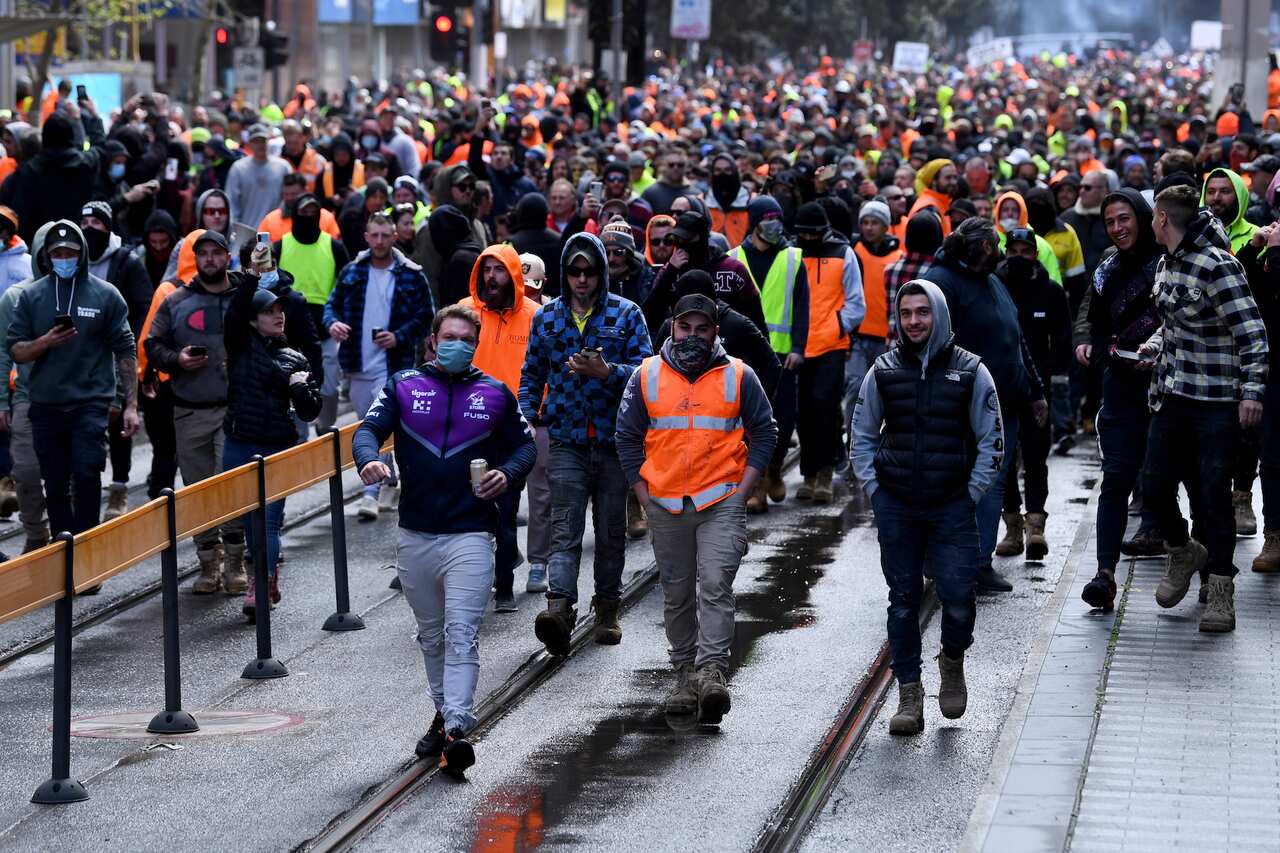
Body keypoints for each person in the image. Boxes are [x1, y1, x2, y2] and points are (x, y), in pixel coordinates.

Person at [354, 303, 536, 778]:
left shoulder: (495, 393)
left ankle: (457, 727)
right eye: (449, 337)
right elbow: (368, 431)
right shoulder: (403, 386)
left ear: (475, 346)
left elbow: (525, 446)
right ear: (434, 340)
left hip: (471, 535)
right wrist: (369, 461)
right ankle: (443, 713)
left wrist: (507, 473)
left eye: (467, 340)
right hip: (416, 535)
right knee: (432, 636)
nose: (457, 345)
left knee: (461, 633)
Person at [615, 293, 777, 723]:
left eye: (702, 328)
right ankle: (684, 673)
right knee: (677, 592)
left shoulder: (739, 375)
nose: (692, 336)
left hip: (721, 499)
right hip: (666, 502)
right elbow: (627, 436)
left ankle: (711, 673)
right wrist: (643, 493)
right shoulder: (645, 375)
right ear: (672, 327)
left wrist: (743, 489)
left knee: (716, 584)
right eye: (685, 327)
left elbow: (765, 430)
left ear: (715, 332)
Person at [852, 279, 1004, 736]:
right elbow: (860, 436)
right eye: (906, 313)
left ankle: (952, 658)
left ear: (938, 314)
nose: (914, 321)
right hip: (897, 506)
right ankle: (910, 693)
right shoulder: (881, 371)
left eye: (923, 312)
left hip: (952, 507)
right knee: (902, 602)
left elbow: (991, 440)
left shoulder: (972, 372)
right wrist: (876, 491)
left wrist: (972, 493)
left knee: (959, 599)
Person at [1141, 185, 1268, 633]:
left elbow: (1253, 334)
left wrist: (1252, 392)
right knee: (1152, 487)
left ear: (1162, 220)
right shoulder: (1167, 262)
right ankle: (1183, 550)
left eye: (1152, 217)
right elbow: (1173, 324)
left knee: (1214, 497)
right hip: (1173, 394)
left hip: (1216, 402)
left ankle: (1220, 589)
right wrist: (1152, 345)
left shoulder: (1219, 266)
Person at [518, 233, 652, 656]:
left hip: (614, 443)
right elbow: (531, 375)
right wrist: (524, 414)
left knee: (611, 532)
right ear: (564, 273)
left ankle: (608, 609)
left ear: (601, 273)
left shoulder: (626, 314)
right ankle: (559, 608)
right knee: (565, 527)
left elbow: (647, 374)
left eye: (589, 271)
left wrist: (606, 372)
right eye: (574, 271)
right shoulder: (547, 318)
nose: (581, 279)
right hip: (566, 441)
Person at [925, 217, 1047, 593]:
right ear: (976, 248)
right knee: (956, 484)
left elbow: (1016, 338)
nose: (999, 250)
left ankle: (979, 562)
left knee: (992, 483)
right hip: (963, 405)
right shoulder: (943, 282)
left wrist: (1036, 390)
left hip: (1006, 403)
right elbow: (931, 343)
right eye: (992, 244)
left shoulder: (993, 281)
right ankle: (947, 560)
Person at [8, 221, 139, 548]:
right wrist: (45, 342)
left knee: (86, 473)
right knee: (54, 484)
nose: (64, 258)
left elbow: (125, 349)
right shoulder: (31, 297)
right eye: (58, 253)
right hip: (46, 405)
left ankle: (86, 550)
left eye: (71, 252)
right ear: (46, 257)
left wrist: (131, 405)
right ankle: (62, 552)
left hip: (89, 403)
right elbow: (17, 350)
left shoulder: (105, 294)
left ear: (82, 254)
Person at [1074, 189, 1167, 610]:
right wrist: (1092, 349)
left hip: (1168, 384)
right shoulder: (1107, 267)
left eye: (1124, 218)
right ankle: (1105, 573)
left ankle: (1200, 561)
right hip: (1120, 386)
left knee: (1168, 478)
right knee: (1115, 479)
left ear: (1144, 217)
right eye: (1110, 222)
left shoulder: (1168, 262)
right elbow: (1093, 319)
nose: (1118, 228)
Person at [145, 230, 250, 594]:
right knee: (197, 489)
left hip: (234, 410)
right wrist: (177, 360)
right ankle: (208, 560)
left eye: (216, 253)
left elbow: (280, 307)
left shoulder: (245, 297)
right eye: (202, 253)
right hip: (189, 411)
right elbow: (152, 344)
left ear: (227, 258)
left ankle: (236, 560)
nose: (209, 259)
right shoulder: (176, 301)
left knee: (230, 484)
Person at [222, 279, 323, 620]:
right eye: (268, 311)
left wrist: (298, 389)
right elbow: (234, 312)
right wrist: (250, 277)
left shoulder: (295, 357)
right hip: (239, 443)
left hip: (275, 446)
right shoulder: (239, 345)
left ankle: (260, 582)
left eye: (280, 310)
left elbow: (311, 411)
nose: (278, 316)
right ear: (253, 320)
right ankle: (264, 574)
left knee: (267, 520)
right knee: (250, 519)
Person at [324, 213, 435, 521]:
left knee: (376, 422)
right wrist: (333, 324)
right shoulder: (352, 272)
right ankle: (390, 479)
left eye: (386, 235)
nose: (380, 241)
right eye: (375, 235)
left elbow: (428, 316)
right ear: (366, 237)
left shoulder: (411, 274)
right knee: (366, 421)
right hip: (357, 364)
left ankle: (370, 492)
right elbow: (331, 306)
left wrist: (398, 336)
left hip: (392, 365)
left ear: (395, 237)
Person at [457, 244, 541, 611]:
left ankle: (504, 581)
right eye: (486, 269)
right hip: (468, 427)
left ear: (514, 274)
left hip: (513, 429)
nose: (492, 277)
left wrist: (536, 412)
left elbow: (544, 369)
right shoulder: (464, 313)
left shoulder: (536, 316)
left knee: (506, 507)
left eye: (499, 270)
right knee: (472, 509)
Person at [993, 228, 1070, 561]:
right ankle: (1011, 527)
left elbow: (1063, 339)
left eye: (1027, 251)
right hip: (999, 387)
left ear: (1035, 255)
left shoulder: (1051, 292)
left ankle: (1035, 526)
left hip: (1037, 389)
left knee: (1037, 456)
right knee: (1003, 459)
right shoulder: (994, 288)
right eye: (1014, 252)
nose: (1019, 258)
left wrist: (1048, 376)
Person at [728, 196, 809, 508]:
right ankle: (757, 484)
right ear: (754, 222)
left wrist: (800, 347)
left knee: (784, 419)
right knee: (748, 421)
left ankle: (775, 467)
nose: (774, 223)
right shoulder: (733, 257)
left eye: (778, 217)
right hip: (745, 355)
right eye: (767, 217)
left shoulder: (792, 259)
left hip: (781, 353)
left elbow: (802, 306)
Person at [79, 201, 154, 520]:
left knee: (118, 419)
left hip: (116, 352)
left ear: (108, 227)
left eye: (96, 221)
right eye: (84, 221)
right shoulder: (73, 256)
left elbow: (143, 305)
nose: (89, 227)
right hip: (80, 354)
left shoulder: (126, 261)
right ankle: (84, 484)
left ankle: (120, 486)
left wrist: (132, 347)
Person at [792, 202, 865, 503]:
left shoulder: (843, 252)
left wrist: (836, 325)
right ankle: (808, 473)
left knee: (824, 406)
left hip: (831, 344)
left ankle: (824, 472)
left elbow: (856, 303)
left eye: (814, 234)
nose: (809, 240)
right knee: (802, 411)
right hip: (796, 344)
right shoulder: (792, 255)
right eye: (804, 234)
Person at [273, 192, 350, 434]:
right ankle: (299, 438)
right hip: (286, 335)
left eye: (312, 213)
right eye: (303, 212)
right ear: (294, 214)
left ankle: (325, 430)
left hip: (324, 331)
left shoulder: (333, 246)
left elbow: (348, 285)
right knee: (292, 388)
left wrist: (340, 319)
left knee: (327, 387)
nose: (308, 217)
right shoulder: (280, 245)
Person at [848, 199, 904, 465]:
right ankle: (854, 446)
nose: (869, 228)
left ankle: (885, 448)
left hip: (887, 338)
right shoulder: (854, 251)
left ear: (885, 226)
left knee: (887, 396)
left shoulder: (898, 256)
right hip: (859, 336)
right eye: (865, 222)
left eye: (875, 223)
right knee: (856, 389)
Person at [224, 124, 291, 230]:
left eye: (263, 140)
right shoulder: (238, 168)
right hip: (247, 232)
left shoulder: (283, 167)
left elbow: (290, 199)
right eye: (256, 141)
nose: (260, 145)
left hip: (277, 230)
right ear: (249, 144)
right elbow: (231, 203)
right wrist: (235, 230)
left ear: (268, 141)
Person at [257, 172, 341, 243]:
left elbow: (335, 246)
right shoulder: (270, 220)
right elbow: (261, 249)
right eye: (286, 194)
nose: (289, 198)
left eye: (294, 194)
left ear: (305, 190)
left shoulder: (326, 218)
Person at [640, 145, 697, 215]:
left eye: (680, 165)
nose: (675, 168)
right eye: (671, 165)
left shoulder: (695, 194)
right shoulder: (650, 193)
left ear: (686, 166)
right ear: (664, 166)